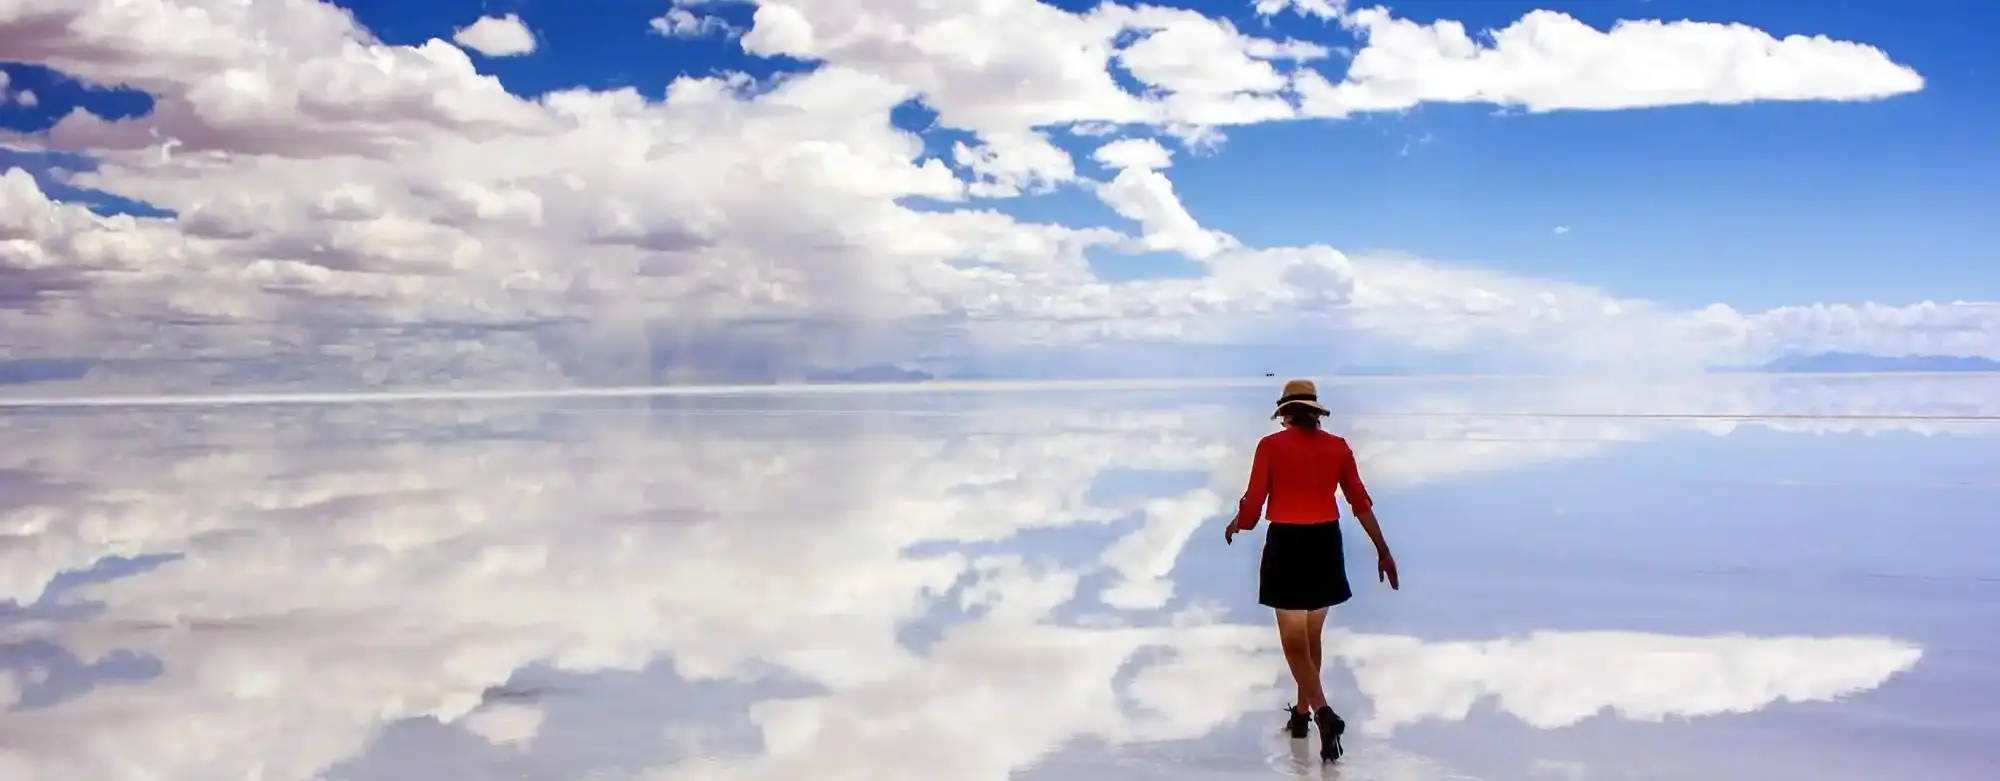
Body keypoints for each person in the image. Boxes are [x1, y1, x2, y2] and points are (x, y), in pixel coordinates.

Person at [1224, 378, 1399, 763]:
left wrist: (1238, 523)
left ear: (1285, 414)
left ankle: (1322, 713)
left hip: (1287, 544)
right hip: (1325, 544)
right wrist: (1383, 550)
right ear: (1316, 413)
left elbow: (1254, 505)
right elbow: (1359, 501)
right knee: (1312, 636)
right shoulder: (1338, 448)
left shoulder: (1270, 446)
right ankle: (1302, 716)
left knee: (1292, 641)